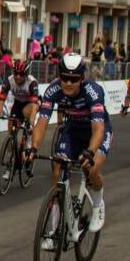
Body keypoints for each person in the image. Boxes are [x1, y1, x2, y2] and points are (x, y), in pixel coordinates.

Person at [26, 54, 111, 238]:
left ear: (81, 78)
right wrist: (33, 148)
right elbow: (41, 122)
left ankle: (98, 204)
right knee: (58, 169)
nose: (68, 83)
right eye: (64, 77)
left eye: (73, 79)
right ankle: (54, 230)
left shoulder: (93, 91)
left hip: (95, 131)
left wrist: (89, 152)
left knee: (92, 168)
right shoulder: (53, 90)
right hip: (73, 130)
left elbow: (98, 129)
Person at [0, 60, 40, 148]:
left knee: (27, 114)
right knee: (11, 130)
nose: (18, 77)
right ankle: (12, 154)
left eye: (21, 74)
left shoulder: (32, 83)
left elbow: (34, 106)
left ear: (26, 74)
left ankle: (28, 141)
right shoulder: (9, 81)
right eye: (16, 73)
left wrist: (30, 124)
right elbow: (1, 101)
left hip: (31, 104)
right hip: (18, 103)